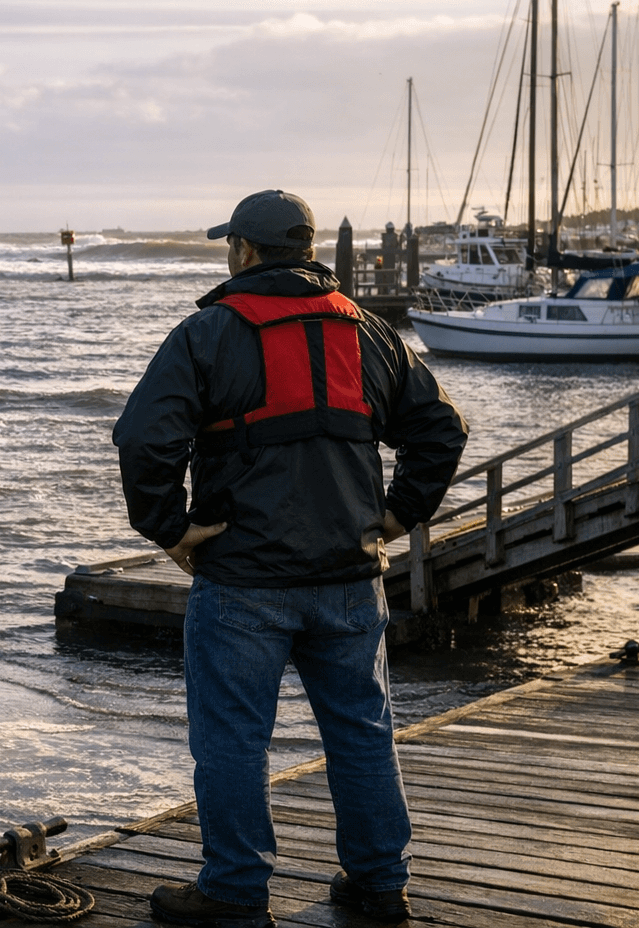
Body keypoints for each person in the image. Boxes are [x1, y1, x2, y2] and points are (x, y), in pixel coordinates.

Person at [112, 190, 467, 927]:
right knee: (362, 730)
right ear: (308, 251)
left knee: (233, 739)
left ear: (242, 251)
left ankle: (236, 894)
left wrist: (169, 529)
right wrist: (400, 514)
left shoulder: (207, 333)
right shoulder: (369, 332)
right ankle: (379, 884)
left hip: (243, 582)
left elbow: (144, 438)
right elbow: (441, 429)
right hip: (348, 579)